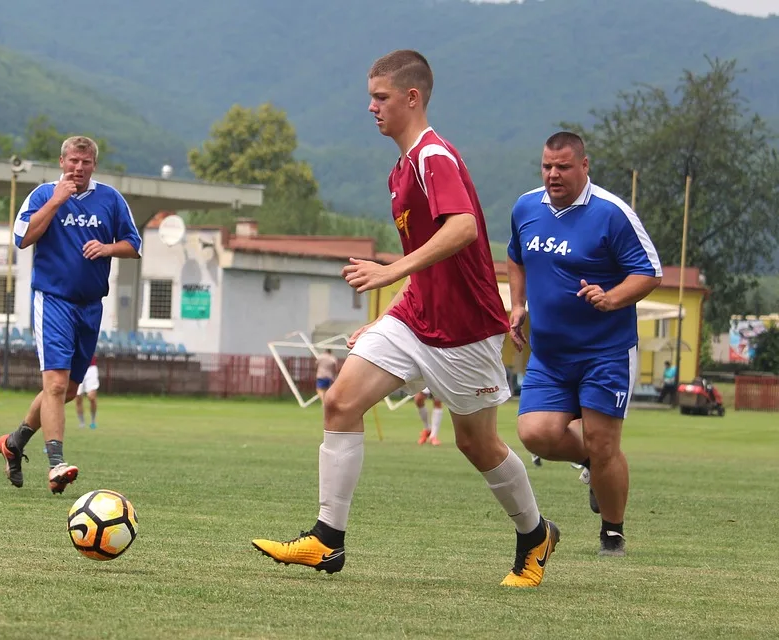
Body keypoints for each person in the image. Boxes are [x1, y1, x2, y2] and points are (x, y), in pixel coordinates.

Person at [252, 50, 559, 588]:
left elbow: (463, 229)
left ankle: (535, 536)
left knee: (476, 444)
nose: (371, 107)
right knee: (340, 401)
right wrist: (390, 315)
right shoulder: (400, 170)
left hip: (466, 331)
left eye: (381, 97)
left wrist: (392, 271)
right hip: (418, 318)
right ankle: (327, 540)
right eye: (371, 97)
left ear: (411, 98)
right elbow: (430, 265)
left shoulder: (432, 157)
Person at [507, 131, 662, 557]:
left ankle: (612, 533)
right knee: (534, 433)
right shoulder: (525, 207)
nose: (553, 174)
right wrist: (517, 305)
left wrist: (612, 298)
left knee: (604, 441)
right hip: (550, 355)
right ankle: (595, 464)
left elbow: (649, 272)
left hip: (605, 352)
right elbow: (516, 257)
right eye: (547, 166)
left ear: (584, 166)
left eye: (563, 166)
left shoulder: (612, 214)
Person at [0, 136, 142, 494]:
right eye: (73, 161)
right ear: (61, 161)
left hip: (91, 305)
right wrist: (57, 201)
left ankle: (14, 443)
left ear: (94, 164)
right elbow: (23, 237)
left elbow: (134, 245)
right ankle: (56, 464)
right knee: (56, 384)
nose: (79, 168)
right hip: (53, 300)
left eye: (86, 162)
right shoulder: (43, 195)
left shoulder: (111, 199)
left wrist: (108, 247)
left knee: (69, 390)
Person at [76, 354, 100, 429]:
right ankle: (82, 422)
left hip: (91, 368)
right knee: (78, 397)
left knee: (91, 397)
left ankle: (93, 421)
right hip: (77, 367)